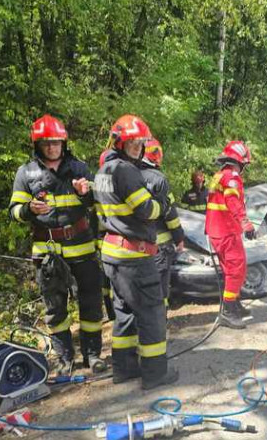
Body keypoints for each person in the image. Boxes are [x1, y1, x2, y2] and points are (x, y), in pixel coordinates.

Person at [9, 114, 105, 374]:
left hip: (82, 247)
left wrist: (87, 194)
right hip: (47, 252)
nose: (52, 147)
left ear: (64, 143)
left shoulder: (80, 169)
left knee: (91, 302)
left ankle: (93, 355)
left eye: (56, 142)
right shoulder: (26, 173)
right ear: (37, 145)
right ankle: (64, 359)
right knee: (55, 308)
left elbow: (100, 203)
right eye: (46, 143)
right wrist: (28, 209)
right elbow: (14, 212)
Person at [94, 114, 178, 390]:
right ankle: (155, 373)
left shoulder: (103, 171)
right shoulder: (126, 171)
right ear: (119, 143)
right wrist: (162, 206)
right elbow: (146, 210)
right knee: (152, 311)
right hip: (134, 256)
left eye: (139, 143)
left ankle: (124, 369)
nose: (136, 147)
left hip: (113, 254)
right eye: (131, 143)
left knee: (124, 312)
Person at [205, 141, 257, 329]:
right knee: (237, 269)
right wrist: (246, 223)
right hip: (226, 229)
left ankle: (233, 303)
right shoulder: (232, 176)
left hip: (217, 229)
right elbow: (232, 201)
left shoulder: (219, 175)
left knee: (230, 269)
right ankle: (227, 311)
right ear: (240, 161)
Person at [139, 138, 185, 306]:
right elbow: (170, 214)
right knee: (160, 290)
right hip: (158, 246)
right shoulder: (158, 179)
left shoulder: (127, 175)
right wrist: (179, 237)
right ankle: (160, 323)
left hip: (133, 246)